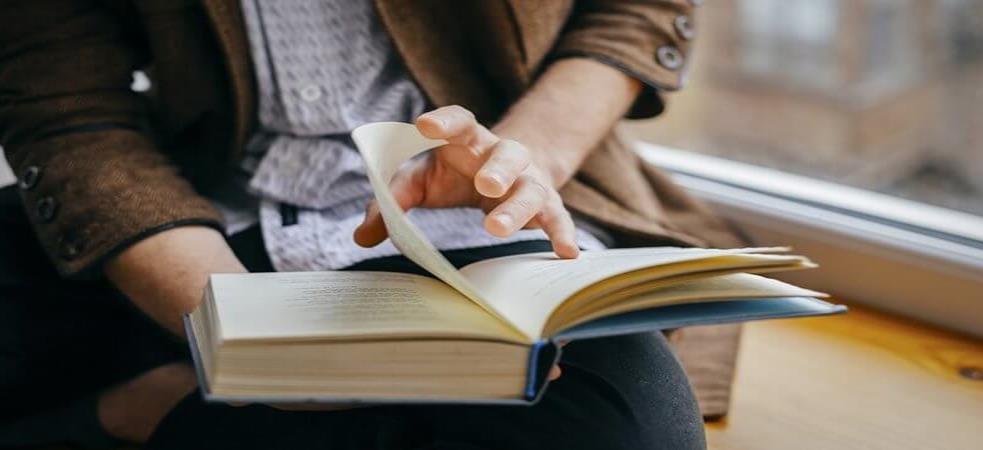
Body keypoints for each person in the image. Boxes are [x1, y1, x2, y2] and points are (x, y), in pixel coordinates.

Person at [0, 1, 743, 449]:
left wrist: (523, 162)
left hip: (478, 221)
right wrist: (255, 340)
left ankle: (159, 410)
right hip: (199, 219)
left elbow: (631, 10)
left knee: (620, 430)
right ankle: (195, 405)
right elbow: (69, 113)